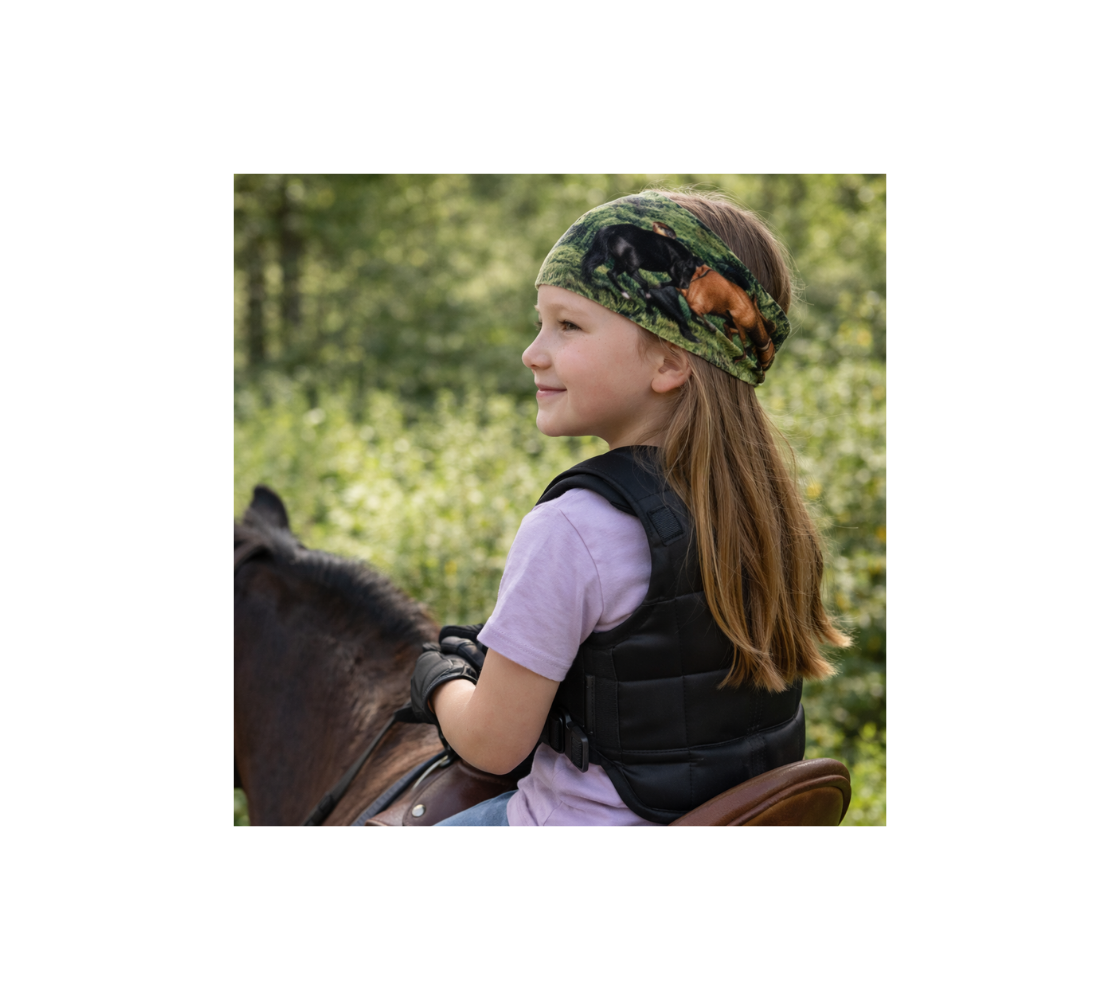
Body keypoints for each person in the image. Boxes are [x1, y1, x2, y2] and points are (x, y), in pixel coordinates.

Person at [410, 190, 850, 827]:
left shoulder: (572, 528)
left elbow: (492, 744)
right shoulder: (770, 511)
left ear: (670, 361)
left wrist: (439, 676)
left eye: (568, 325)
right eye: (542, 323)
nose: (533, 352)